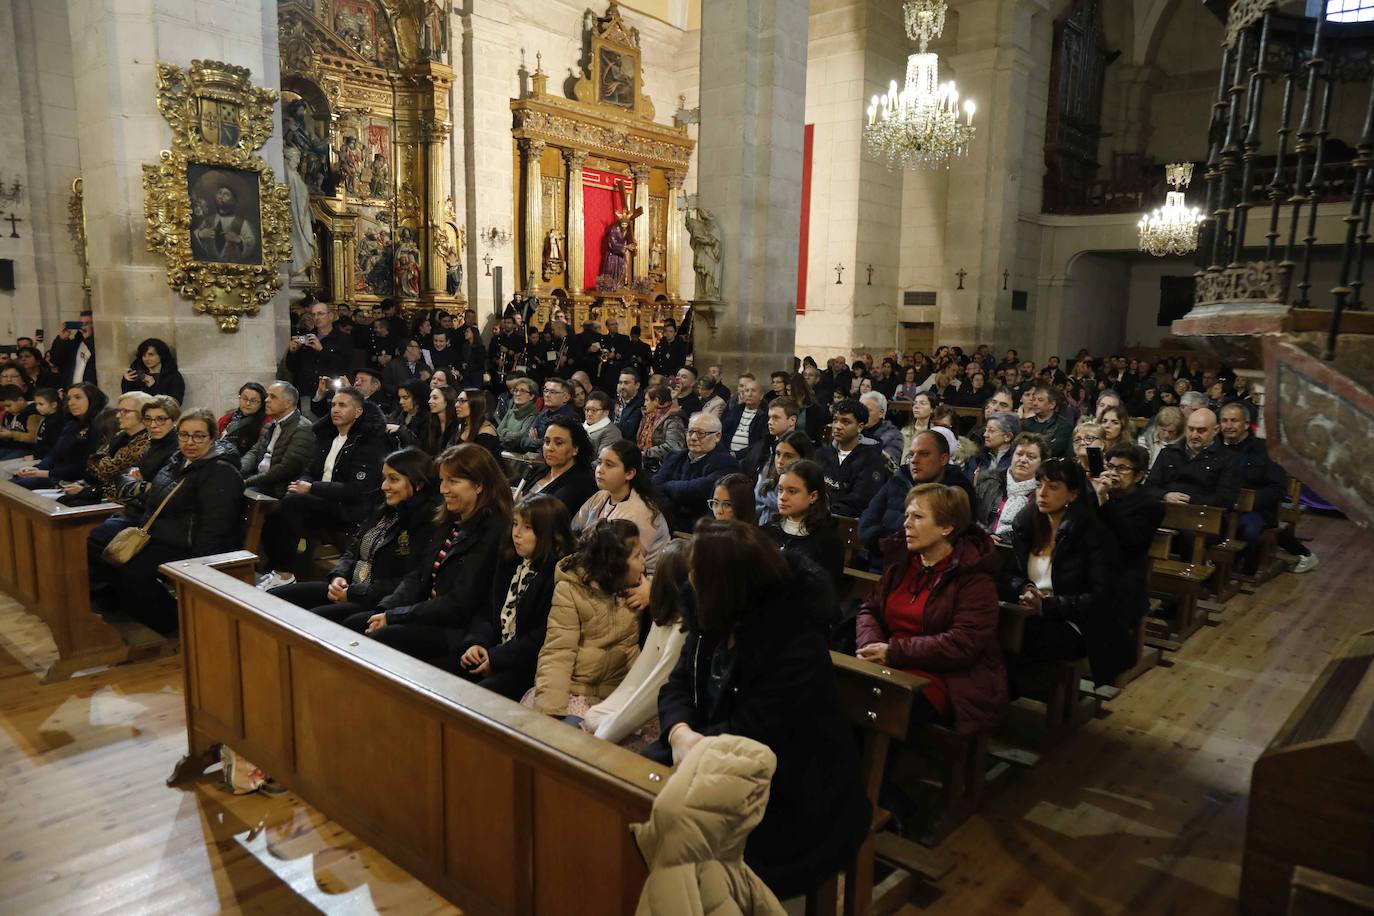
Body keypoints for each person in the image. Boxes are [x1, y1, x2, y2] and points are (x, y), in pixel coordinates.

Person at [650, 520, 869, 901]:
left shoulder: (793, 641)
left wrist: (693, 748)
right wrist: (679, 733)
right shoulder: (711, 615)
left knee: (682, 843)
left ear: (726, 583)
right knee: (634, 797)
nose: (690, 580)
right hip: (709, 753)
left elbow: (758, 730)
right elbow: (678, 684)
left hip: (793, 791)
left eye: (697, 573)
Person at [857, 484, 1006, 740]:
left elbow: (962, 643)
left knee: (873, 712)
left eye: (917, 517)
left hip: (942, 679)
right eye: (907, 515)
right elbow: (869, 609)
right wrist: (871, 646)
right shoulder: (903, 563)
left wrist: (893, 652)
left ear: (946, 527)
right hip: (886, 664)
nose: (906, 524)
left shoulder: (974, 578)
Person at [344, 444, 511, 663]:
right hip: (426, 613)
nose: (443, 489)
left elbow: (458, 604)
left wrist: (396, 616)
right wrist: (387, 609)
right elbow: (418, 576)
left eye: (453, 481)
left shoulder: (494, 531)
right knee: (354, 624)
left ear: (479, 485)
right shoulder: (450, 519)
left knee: (376, 639)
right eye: (442, 481)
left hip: (455, 630)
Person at [93, 409, 244, 634]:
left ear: (212, 437)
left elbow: (217, 524)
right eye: (184, 435)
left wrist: (200, 564)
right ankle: (138, 617)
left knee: (133, 571)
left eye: (199, 436)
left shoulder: (220, 471)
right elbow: (155, 498)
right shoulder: (178, 461)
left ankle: (179, 628)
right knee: (110, 554)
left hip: (192, 546)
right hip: (164, 534)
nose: (190, 442)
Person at [1001, 458, 1133, 690]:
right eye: (1039, 485)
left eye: (1053, 487)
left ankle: (1003, 693)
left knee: (1017, 634)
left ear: (1073, 494)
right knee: (992, 623)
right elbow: (1009, 575)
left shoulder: (1093, 535)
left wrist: (1047, 605)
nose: (1042, 493)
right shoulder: (1027, 526)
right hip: (1030, 613)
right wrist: (1024, 588)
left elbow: (1101, 599)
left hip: (1078, 625)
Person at [270, 446, 439, 623]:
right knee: (275, 598)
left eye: (394, 479)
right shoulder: (384, 509)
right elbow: (353, 549)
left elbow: (406, 581)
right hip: (351, 587)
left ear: (418, 484)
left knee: (308, 621)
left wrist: (353, 593)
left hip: (376, 601)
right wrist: (339, 576)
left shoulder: (426, 522)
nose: (384, 486)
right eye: (384, 478)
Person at [257, 388, 391, 587]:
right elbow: (309, 470)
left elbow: (356, 491)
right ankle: (276, 570)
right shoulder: (328, 437)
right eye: (333, 405)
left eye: (342, 405)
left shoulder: (368, 443)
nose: (335, 409)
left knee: (293, 503)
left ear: (358, 412)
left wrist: (312, 488)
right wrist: (302, 483)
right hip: (319, 501)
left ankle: (285, 574)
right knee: (273, 511)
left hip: (349, 509)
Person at [457, 494, 574, 699]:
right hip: (495, 651)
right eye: (515, 524)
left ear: (549, 533)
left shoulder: (558, 576)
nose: (516, 533)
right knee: (442, 677)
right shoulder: (510, 561)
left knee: (474, 697)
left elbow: (541, 637)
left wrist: (495, 658)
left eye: (527, 527)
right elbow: (487, 611)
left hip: (527, 668)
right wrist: (477, 644)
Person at [527, 518, 646, 717]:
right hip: (578, 693)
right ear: (615, 564)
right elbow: (558, 653)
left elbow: (679, 599)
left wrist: (652, 594)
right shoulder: (571, 590)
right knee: (569, 731)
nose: (644, 560)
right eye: (637, 555)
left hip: (621, 696)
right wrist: (551, 713)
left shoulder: (638, 586)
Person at [581, 538, 692, 747]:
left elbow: (652, 693)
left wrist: (602, 735)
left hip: (669, 720)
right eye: (636, 555)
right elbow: (636, 680)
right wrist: (602, 718)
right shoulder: (665, 618)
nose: (643, 562)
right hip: (615, 698)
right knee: (589, 718)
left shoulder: (683, 629)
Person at [1217, 402, 1318, 573]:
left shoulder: (1264, 449)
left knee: (1247, 531)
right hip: (1222, 506)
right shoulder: (1215, 447)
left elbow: (1278, 488)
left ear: (1246, 424)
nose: (1228, 425)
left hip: (1257, 510)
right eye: (1224, 420)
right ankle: (1219, 566)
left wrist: (1247, 503)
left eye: (1234, 420)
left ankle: (1243, 568)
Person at [858, 428, 978, 568]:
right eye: (911, 454)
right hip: (881, 566)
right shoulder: (898, 480)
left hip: (927, 571)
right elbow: (865, 528)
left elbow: (950, 543)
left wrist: (891, 542)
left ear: (943, 459)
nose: (914, 460)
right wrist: (890, 544)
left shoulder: (956, 493)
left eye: (924, 454)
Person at [1093, 443, 1165, 637]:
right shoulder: (1097, 494)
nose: (1113, 473)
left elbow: (1131, 542)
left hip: (1123, 574)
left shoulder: (1151, 505)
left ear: (1139, 476)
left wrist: (1104, 501)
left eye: (1122, 468)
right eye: (1110, 467)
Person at [571, 440, 670, 573]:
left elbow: (621, 563)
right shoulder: (601, 496)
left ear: (629, 473)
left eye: (609, 465)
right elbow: (574, 529)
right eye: (599, 462)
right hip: (600, 567)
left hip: (639, 577)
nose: (600, 470)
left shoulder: (641, 512)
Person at [761, 459, 844, 590]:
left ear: (813, 496)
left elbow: (826, 592)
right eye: (780, 490)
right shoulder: (765, 532)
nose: (782, 497)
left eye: (792, 491)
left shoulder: (827, 542)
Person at [652, 412, 741, 533]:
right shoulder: (674, 457)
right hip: (668, 522)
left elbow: (699, 490)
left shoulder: (727, 463)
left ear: (717, 436)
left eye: (701, 433)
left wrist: (668, 486)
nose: (693, 437)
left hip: (701, 529)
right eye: (690, 432)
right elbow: (655, 485)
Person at [13, 383, 108, 490]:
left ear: (93, 400)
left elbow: (85, 465)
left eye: (77, 398)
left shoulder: (98, 426)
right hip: (56, 473)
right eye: (69, 398)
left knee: (21, 485)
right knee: (17, 479)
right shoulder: (71, 424)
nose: (71, 403)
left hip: (75, 479)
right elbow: (54, 453)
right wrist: (36, 468)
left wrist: (46, 473)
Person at [64, 391, 153, 503]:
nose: (118, 415)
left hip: (119, 498)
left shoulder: (146, 441)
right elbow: (92, 464)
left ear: (142, 415)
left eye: (125, 411)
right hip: (100, 490)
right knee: (63, 499)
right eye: (118, 411)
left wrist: (89, 488)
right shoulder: (120, 436)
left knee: (70, 503)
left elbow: (109, 471)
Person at [1145, 407, 1240, 510]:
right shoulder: (1168, 453)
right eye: (1190, 429)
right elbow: (1149, 487)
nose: (1194, 435)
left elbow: (1226, 499)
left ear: (1216, 430)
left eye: (1201, 431)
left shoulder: (1228, 458)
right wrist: (1165, 495)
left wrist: (1189, 500)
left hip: (1204, 514)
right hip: (1164, 509)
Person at [240, 381, 317, 500]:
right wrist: (238, 470)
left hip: (279, 486)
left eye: (273, 397)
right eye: (268, 396)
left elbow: (286, 469)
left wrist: (246, 481)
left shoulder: (303, 428)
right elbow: (254, 452)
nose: (266, 400)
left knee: (234, 493)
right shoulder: (270, 425)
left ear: (288, 403)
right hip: (259, 478)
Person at [815, 399, 890, 518]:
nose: (837, 426)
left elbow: (858, 502)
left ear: (860, 427)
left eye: (845, 422)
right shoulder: (821, 454)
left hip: (846, 522)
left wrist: (824, 512)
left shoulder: (872, 461)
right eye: (835, 420)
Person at [513, 416, 598, 513]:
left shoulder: (581, 484)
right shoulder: (537, 470)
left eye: (559, 443)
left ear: (575, 448)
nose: (550, 448)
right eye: (547, 441)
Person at [974, 432, 1049, 538]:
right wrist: (986, 536)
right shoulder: (989, 482)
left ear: (1041, 463)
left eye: (1031, 457)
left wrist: (1005, 539)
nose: (1023, 460)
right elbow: (971, 518)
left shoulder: (1045, 494)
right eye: (1019, 454)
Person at [284, 301, 354, 409]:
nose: (316, 317)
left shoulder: (344, 339)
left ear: (330, 316)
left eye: (320, 314)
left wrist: (321, 350)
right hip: (307, 392)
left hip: (332, 393)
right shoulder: (305, 338)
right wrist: (292, 352)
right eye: (313, 314)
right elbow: (292, 367)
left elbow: (344, 366)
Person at [753, 429, 812, 526]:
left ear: (803, 458)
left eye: (788, 456)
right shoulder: (767, 484)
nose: (780, 461)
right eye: (778, 454)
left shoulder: (812, 488)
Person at [635, 383, 686, 474]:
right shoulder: (648, 415)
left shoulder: (674, 419)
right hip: (645, 464)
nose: (644, 404)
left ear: (656, 400)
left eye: (647, 400)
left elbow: (674, 447)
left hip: (663, 468)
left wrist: (646, 453)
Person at [120, 338, 186, 403]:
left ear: (161, 355)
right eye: (144, 355)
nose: (147, 359)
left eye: (151, 355)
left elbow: (175, 403)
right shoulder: (137, 373)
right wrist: (127, 381)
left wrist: (153, 387)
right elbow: (127, 400)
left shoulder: (173, 376)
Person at [520, 378, 577, 452]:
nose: (547, 395)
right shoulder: (542, 415)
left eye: (552, 392)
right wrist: (539, 442)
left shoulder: (570, 418)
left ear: (566, 397)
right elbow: (524, 442)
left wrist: (535, 441)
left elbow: (555, 446)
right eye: (546, 391)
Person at [721, 375, 767, 460]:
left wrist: (737, 454)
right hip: (727, 454)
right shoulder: (735, 410)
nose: (749, 394)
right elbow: (723, 432)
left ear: (761, 396)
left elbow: (762, 442)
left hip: (749, 458)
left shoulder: (765, 415)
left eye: (753, 391)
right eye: (747, 391)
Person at [217, 382, 268, 456]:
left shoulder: (266, 422)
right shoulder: (226, 419)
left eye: (253, 400)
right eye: (244, 398)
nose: (248, 403)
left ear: (261, 403)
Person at [967, 411, 1019, 482]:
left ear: (1008, 436)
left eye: (991, 431)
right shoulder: (979, 456)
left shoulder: (1016, 460)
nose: (985, 435)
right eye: (985, 430)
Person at [1023, 384, 1072, 458]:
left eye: (1040, 400)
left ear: (1052, 404)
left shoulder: (1063, 426)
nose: (1035, 403)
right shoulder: (1025, 423)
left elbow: (1054, 449)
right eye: (1034, 400)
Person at [51, 310, 97, 386]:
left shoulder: (98, 344)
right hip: (72, 387)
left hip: (90, 387)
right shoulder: (75, 343)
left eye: (87, 323)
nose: (84, 327)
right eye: (82, 324)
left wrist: (88, 339)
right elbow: (55, 360)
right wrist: (61, 340)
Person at [859, 390, 904, 465]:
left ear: (881, 413)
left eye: (868, 410)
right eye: (860, 410)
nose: (862, 414)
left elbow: (891, 463)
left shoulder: (894, 435)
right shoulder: (852, 429)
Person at [454, 388, 501, 460]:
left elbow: (479, 464)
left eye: (462, 401)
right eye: (457, 401)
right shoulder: (463, 427)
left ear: (476, 404)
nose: (456, 405)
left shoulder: (486, 433)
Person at [0, 385, 39, 460]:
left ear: (20, 400)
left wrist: (11, 434)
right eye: (4, 407)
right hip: (9, 447)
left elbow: (33, 437)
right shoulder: (8, 414)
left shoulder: (32, 413)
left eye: (8, 405)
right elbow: (8, 435)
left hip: (27, 450)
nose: (6, 409)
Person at [389, 378, 431, 445]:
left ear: (417, 398)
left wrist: (400, 430)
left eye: (405, 398)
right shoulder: (398, 413)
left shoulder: (428, 419)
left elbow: (421, 445)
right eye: (400, 398)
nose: (401, 402)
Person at [581, 390, 623, 456]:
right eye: (587, 409)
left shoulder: (612, 433)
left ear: (606, 412)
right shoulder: (581, 427)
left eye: (594, 410)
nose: (589, 414)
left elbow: (602, 460)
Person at [423, 385, 461, 455]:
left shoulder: (457, 425)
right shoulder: (429, 423)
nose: (429, 401)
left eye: (435, 398)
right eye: (430, 398)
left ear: (447, 401)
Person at [613, 369, 645, 439]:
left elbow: (627, 432)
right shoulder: (615, 401)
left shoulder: (642, 404)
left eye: (626, 383)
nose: (622, 387)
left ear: (637, 385)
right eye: (620, 383)